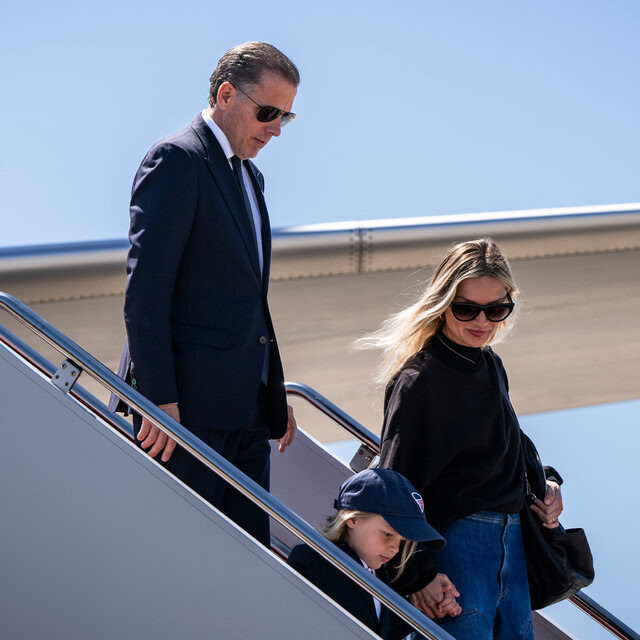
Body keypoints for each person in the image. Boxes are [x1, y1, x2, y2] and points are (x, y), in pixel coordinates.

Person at [109, 42, 300, 547]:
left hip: (245, 418)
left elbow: (246, 301)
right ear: (225, 94)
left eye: (286, 116)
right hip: (183, 416)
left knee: (247, 570)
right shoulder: (177, 159)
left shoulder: (250, 177)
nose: (276, 128)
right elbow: (146, 290)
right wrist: (157, 400)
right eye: (267, 113)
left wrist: (271, 390)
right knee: (178, 560)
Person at [363, 238, 564, 640]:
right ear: (442, 303)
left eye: (497, 309)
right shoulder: (420, 381)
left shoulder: (489, 363)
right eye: (466, 308)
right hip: (455, 548)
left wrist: (548, 483)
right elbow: (394, 486)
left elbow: (504, 447)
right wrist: (418, 576)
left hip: (511, 545)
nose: (483, 321)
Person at [287, 468, 461, 640]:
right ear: (353, 518)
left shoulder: (380, 579)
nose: (395, 548)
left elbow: (376, 629)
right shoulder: (313, 560)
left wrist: (422, 609)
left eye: (401, 541)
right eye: (388, 534)